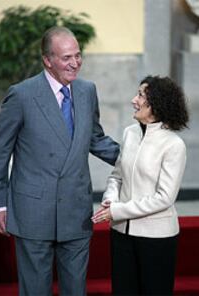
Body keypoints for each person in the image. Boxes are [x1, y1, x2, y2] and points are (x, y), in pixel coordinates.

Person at [0, 26, 120, 296]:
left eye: (78, 55)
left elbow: (95, 139)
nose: (75, 63)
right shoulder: (22, 94)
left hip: (76, 209)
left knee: (75, 290)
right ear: (47, 60)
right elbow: (0, 150)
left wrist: (136, 159)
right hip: (32, 211)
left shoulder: (87, 90)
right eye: (66, 58)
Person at [92, 75, 189, 295]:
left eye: (140, 95)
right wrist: (110, 199)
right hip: (121, 234)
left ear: (156, 103)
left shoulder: (174, 145)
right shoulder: (130, 133)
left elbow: (165, 197)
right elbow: (117, 176)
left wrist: (116, 211)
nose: (133, 100)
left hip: (156, 238)